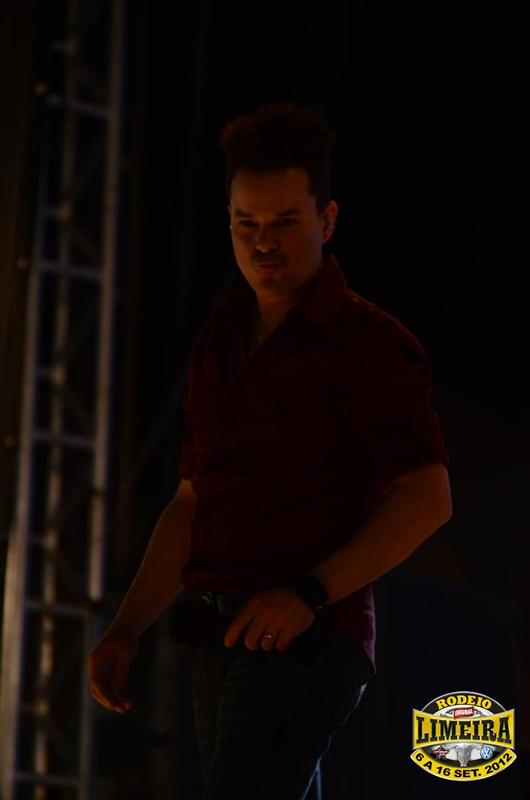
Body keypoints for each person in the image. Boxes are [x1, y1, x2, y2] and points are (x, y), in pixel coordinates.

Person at [87, 102, 453, 799]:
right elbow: (193, 500)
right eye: (245, 224)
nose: (263, 244)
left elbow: (428, 497)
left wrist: (309, 595)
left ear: (327, 220)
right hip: (220, 638)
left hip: (309, 638)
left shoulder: (366, 342)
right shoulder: (221, 335)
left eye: (285, 222)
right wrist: (126, 628)